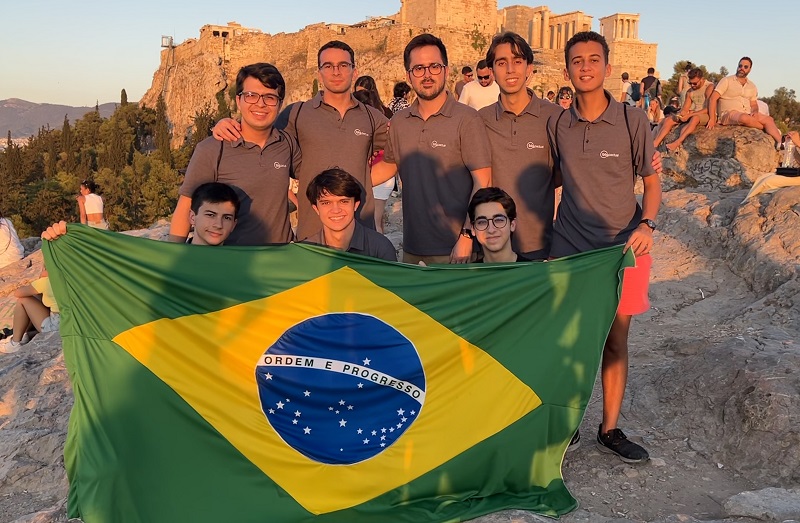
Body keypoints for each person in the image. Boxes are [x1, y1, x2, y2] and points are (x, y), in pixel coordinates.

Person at [548, 30, 662, 463]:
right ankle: (567, 426)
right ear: (567, 70)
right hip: (571, 247)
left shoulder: (634, 120)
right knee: (571, 341)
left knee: (616, 340)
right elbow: (550, 175)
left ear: (608, 68)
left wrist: (649, 223)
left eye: (594, 60)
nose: (585, 67)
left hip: (623, 247)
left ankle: (609, 429)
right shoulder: (558, 123)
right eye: (577, 61)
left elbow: (651, 181)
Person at [213, 41, 390, 241]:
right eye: (328, 66)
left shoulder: (371, 117)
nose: (336, 72)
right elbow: (259, 135)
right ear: (319, 73)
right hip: (311, 232)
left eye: (343, 65)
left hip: (361, 230)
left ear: (354, 71)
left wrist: (363, 179)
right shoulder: (296, 114)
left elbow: (400, 151)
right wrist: (226, 124)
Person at [370, 33, 492, 265]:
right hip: (413, 249)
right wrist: (349, 183)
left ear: (445, 71)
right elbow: (389, 165)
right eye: (418, 68)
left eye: (434, 66)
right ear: (409, 75)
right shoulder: (400, 121)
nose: (427, 75)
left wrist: (467, 236)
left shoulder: (467, 119)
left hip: (456, 250)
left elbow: (483, 182)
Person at [170, 63, 299, 246]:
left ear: (279, 104)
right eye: (251, 96)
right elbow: (185, 208)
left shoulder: (287, 144)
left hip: (279, 260)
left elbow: (316, 178)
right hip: (229, 262)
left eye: (270, 97)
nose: (260, 104)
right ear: (238, 101)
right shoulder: (212, 149)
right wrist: (172, 260)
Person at [479, 31, 564, 260]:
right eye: (502, 62)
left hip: (538, 247)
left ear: (529, 68)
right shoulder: (480, 121)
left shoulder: (554, 117)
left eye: (517, 61)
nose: (510, 70)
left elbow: (567, 173)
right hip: (492, 249)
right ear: (492, 70)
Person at [303, 169, 397, 261]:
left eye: (343, 201)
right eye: (326, 203)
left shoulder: (380, 248)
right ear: (316, 208)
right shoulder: (304, 252)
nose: (336, 210)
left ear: (355, 205)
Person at [707, 57, 782, 146]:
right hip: (729, 113)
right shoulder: (727, 80)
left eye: (745, 67)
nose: (742, 68)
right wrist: (712, 118)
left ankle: (781, 142)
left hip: (747, 112)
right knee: (744, 118)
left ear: (750, 69)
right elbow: (713, 98)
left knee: (769, 119)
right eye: (740, 66)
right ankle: (767, 129)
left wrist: (755, 111)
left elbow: (753, 104)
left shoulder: (752, 86)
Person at [353, 89, 393, 233]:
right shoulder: (380, 119)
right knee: (378, 220)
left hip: (378, 173)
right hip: (385, 175)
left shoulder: (368, 123)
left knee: (374, 222)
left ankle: (378, 254)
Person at [653, 68, 714, 151]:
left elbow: (709, 108)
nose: (692, 86)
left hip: (706, 113)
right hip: (693, 113)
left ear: (702, 79)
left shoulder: (709, 87)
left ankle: (678, 142)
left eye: (695, 83)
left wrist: (691, 114)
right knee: (669, 119)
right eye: (690, 83)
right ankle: (655, 144)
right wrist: (682, 114)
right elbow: (685, 108)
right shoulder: (689, 91)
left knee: (695, 118)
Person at [0, 270, 59, 354]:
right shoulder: (73, 278)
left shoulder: (47, 282)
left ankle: (15, 343)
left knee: (23, 300)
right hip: (70, 320)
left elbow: (18, 293)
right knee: (36, 296)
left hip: (55, 327)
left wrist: (42, 277)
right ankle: (24, 334)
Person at [468, 187, 528, 263]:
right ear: (473, 229)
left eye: (498, 220)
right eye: (482, 222)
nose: (491, 230)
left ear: (512, 224)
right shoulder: (469, 274)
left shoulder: (535, 272)